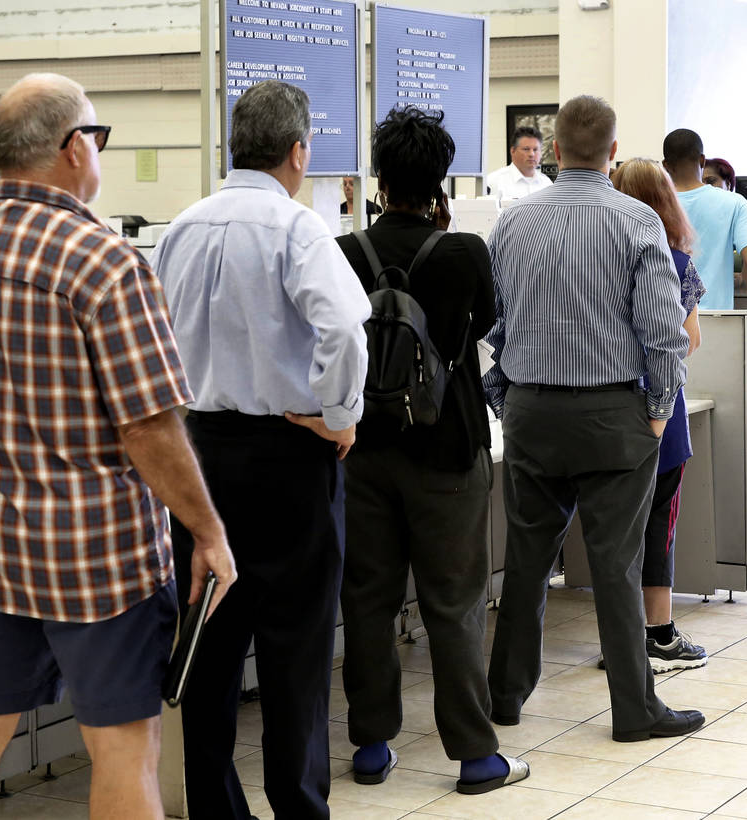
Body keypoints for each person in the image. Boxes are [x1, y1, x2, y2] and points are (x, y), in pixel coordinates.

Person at [0, 72, 236, 820]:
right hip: (95, 557)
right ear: (71, 148)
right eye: (98, 136)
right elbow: (149, 426)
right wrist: (208, 531)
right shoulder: (105, 262)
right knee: (124, 747)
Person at [152, 79, 370, 820]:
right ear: (298, 152)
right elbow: (343, 330)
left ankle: (217, 810)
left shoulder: (179, 228)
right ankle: (298, 806)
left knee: (209, 648)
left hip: (197, 455)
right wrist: (340, 414)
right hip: (287, 454)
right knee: (295, 650)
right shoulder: (297, 228)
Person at [483, 95, 704, 743]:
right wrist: (660, 412)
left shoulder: (512, 224)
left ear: (553, 151)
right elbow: (664, 333)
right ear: (613, 153)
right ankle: (635, 709)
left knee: (526, 559)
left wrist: (508, 400)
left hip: (532, 411)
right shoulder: (637, 222)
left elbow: (496, 326)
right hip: (614, 414)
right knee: (615, 563)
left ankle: (505, 698)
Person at [334, 107, 529, 795]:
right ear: (441, 182)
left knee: (368, 599)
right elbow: (486, 322)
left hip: (363, 452)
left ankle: (370, 746)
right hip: (449, 449)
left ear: (380, 179)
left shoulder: (343, 251)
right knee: (454, 601)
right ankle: (475, 755)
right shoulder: (462, 252)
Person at [610, 157, 708, 673]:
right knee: (658, 524)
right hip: (662, 415)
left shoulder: (594, 260)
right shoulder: (675, 264)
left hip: (605, 410)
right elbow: (689, 339)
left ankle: (620, 637)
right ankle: (661, 634)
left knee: (615, 529)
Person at [663, 129, 747, 309]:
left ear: (665, 165)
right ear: (702, 160)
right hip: (717, 319)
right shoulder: (734, 202)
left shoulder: (653, 204)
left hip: (668, 318)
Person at [485, 125, 553, 202]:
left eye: (535, 149)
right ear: (512, 151)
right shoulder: (494, 182)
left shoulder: (547, 184)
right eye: (526, 149)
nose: (532, 154)